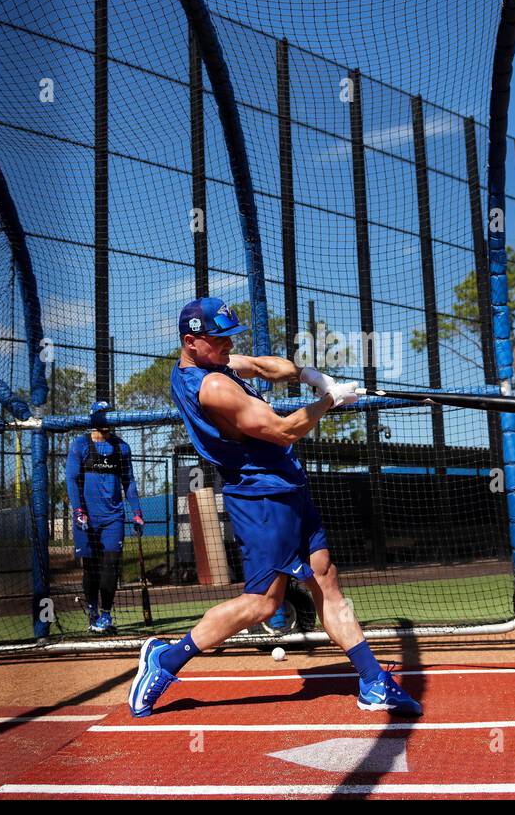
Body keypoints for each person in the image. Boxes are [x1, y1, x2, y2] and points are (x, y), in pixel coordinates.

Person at [128, 297, 422, 717]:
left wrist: (312, 376)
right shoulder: (212, 386)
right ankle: (167, 659)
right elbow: (284, 431)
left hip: (288, 486)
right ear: (191, 342)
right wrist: (328, 402)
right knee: (264, 603)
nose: (229, 348)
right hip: (263, 498)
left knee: (324, 578)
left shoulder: (214, 363)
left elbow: (265, 366)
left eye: (230, 340)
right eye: (219, 341)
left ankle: (373, 681)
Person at [66, 401, 143, 633]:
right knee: (91, 568)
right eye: (103, 416)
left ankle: (106, 616)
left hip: (114, 518)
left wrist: (137, 512)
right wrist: (78, 510)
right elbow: (71, 480)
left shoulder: (122, 448)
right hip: (86, 519)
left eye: (110, 416)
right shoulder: (80, 446)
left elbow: (129, 482)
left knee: (111, 566)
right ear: (94, 418)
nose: (108, 421)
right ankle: (92, 614)